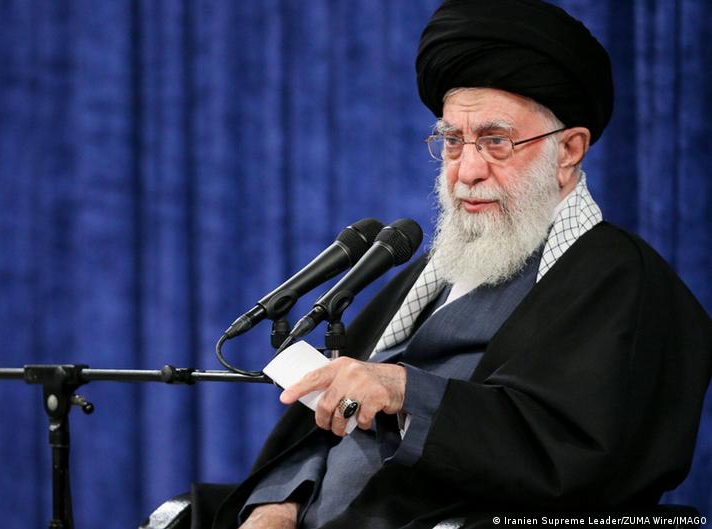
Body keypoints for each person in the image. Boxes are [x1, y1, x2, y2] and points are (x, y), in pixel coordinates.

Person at [188, 1, 712, 528]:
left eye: (495, 141)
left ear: (569, 150)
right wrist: (279, 502)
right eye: (453, 141)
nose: (467, 170)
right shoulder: (431, 275)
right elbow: (324, 429)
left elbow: (580, 455)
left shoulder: (622, 281)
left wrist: (404, 390)